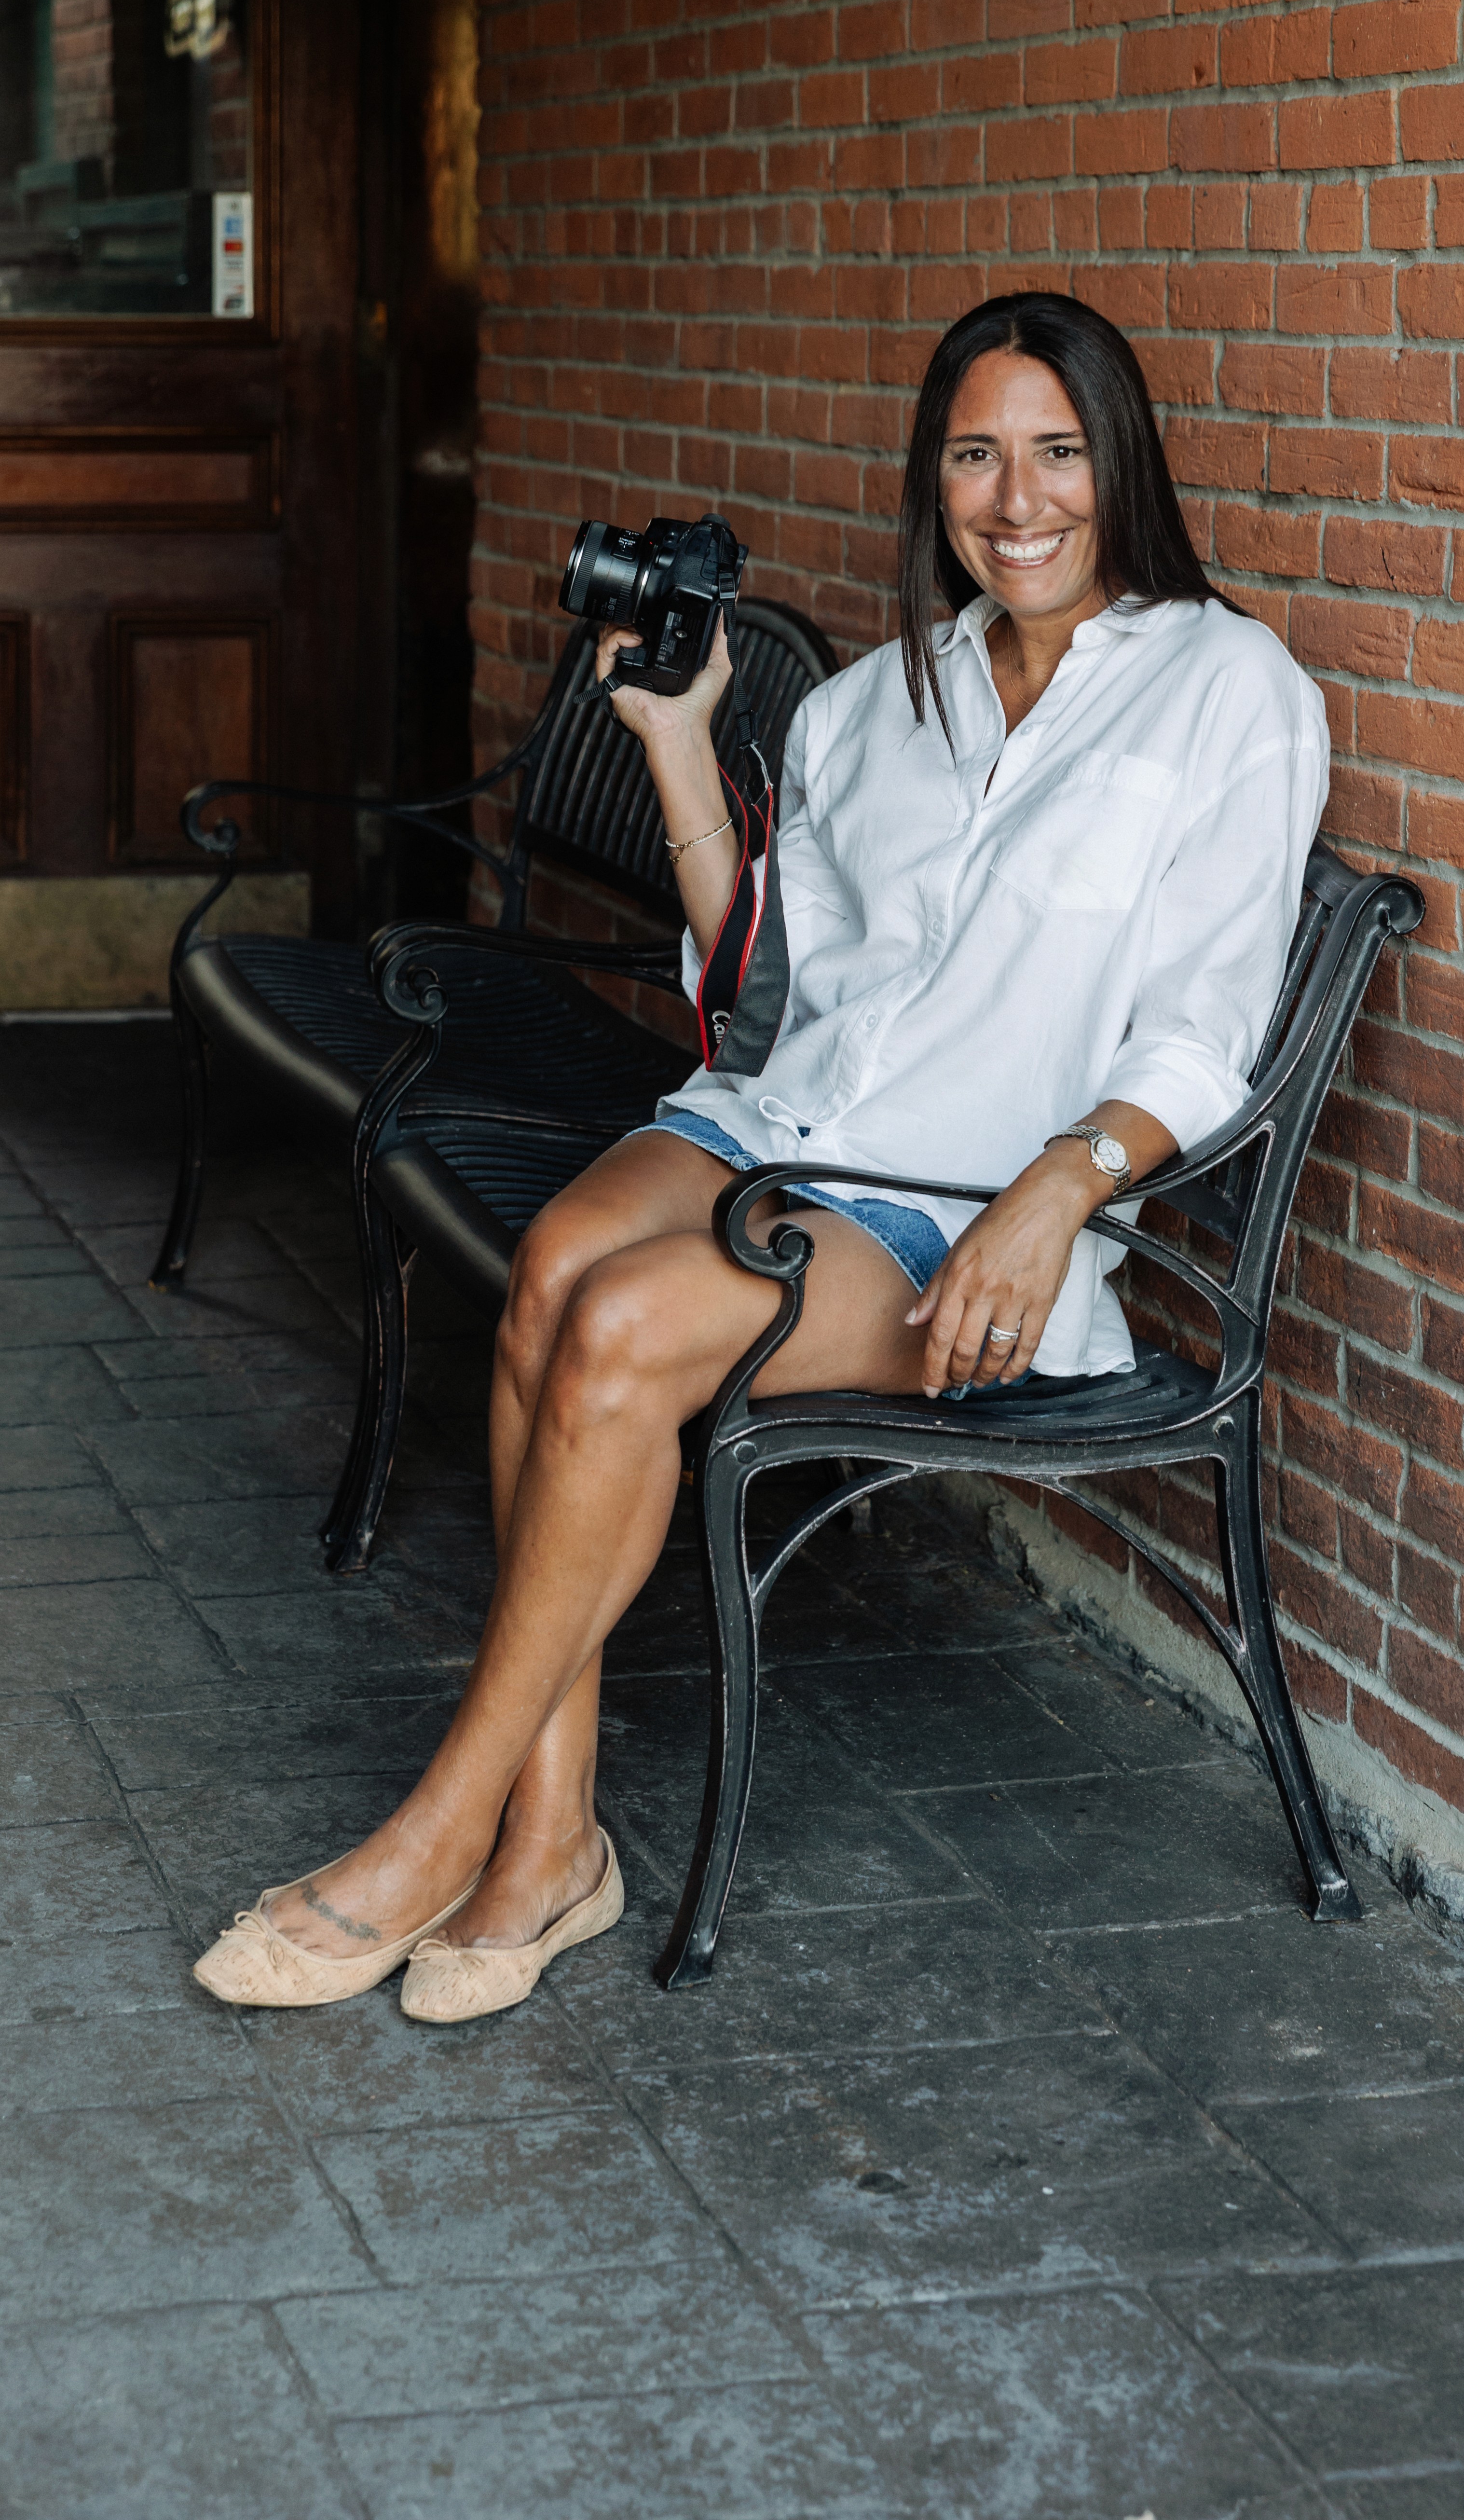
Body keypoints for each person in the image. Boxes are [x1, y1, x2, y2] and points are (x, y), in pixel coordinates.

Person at [193, 291, 1329, 2022]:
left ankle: (439, 1826)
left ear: (1123, 465)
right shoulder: (879, 701)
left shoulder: (1223, 690)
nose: (1016, 501)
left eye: (1058, 453)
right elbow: (763, 997)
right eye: (975, 455)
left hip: (967, 1214)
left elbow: (1206, 1021)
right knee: (565, 1262)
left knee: (631, 1327)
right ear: (929, 477)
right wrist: (672, 751)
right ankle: (555, 1839)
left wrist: (1056, 1187)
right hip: (791, 1120)